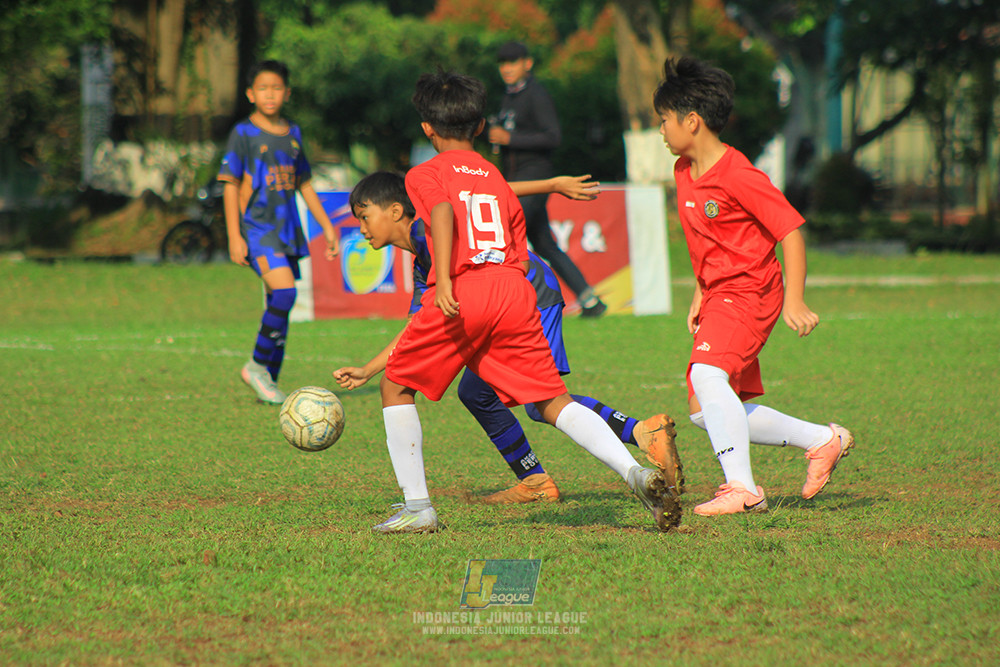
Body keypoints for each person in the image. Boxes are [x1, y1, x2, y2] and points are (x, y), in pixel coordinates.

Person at [350, 69, 679, 534]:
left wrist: (443, 276)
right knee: (550, 401)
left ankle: (418, 508)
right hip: (514, 287)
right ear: (481, 127)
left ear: (426, 128)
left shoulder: (424, 173)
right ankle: (634, 472)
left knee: (395, 388)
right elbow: (516, 239)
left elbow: (441, 212)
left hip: (469, 288)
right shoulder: (492, 174)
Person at [332, 171, 684, 506]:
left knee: (540, 400)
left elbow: (489, 193)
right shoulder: (425, 260)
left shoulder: (432, 228)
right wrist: (369, 370)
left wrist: (551, 184)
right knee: (476, 392)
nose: (361, 229)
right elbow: (415, 330)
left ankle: (640, 432)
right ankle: (535, 481)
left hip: (529, 295)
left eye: (364, 217)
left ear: (396, 211)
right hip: (506, 302)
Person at [652, 56, 855, 517]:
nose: (661, 131)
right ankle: (824, 440)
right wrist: (699, 292)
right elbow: (711, 242)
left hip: (750, 295)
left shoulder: (739, 175)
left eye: (664, 121)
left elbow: (791, 233)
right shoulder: (684, 171)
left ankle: (742, 488)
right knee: (707, 411)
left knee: (707, 376)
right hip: (720, 295)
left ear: (692, 121)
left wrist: (795, 299)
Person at [218, 60, 339, 405]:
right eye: (263, 88)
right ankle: (256, 366)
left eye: (276, 88)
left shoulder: (294, 134)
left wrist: (327, 226)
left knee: (278, 302)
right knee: (285, 294)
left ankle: (269, 381)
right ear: (250, 94)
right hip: (257, 231)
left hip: (288, 232)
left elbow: (305, 183)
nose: (270, 94)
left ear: (286, 93)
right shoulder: (243, 134)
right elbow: (230, 185)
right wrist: (234, 236)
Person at [489, 41, 607, 318]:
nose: (506, 68)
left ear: (527, 64)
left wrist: (510, 139)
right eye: (502, 63)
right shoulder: (508, 97)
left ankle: (504, 304)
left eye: (513, 61)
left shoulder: (536, 94)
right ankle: (591, 301)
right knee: (544, 243)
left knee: (506, 234)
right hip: (516, 177)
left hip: (536, 175)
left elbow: (553, 136)